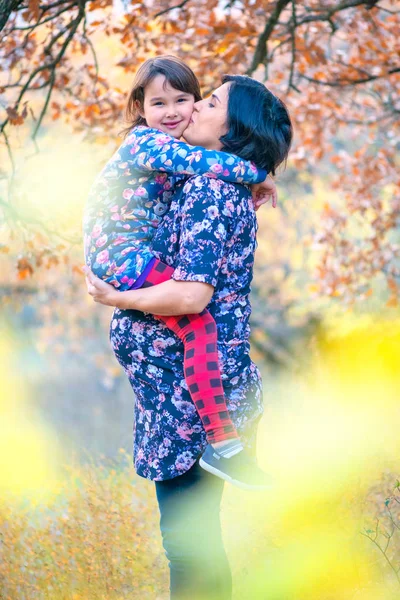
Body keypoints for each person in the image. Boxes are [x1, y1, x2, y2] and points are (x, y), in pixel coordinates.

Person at [85, 73, 292, 599]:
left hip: (189, 404)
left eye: (208, 101)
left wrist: (117, 298)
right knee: (196, 543)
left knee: (188, 546)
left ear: (233, 126)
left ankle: (227, 446)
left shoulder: (208, 188)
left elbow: (190, 297)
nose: (194, 106)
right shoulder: (199, 182)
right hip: (180, 398)